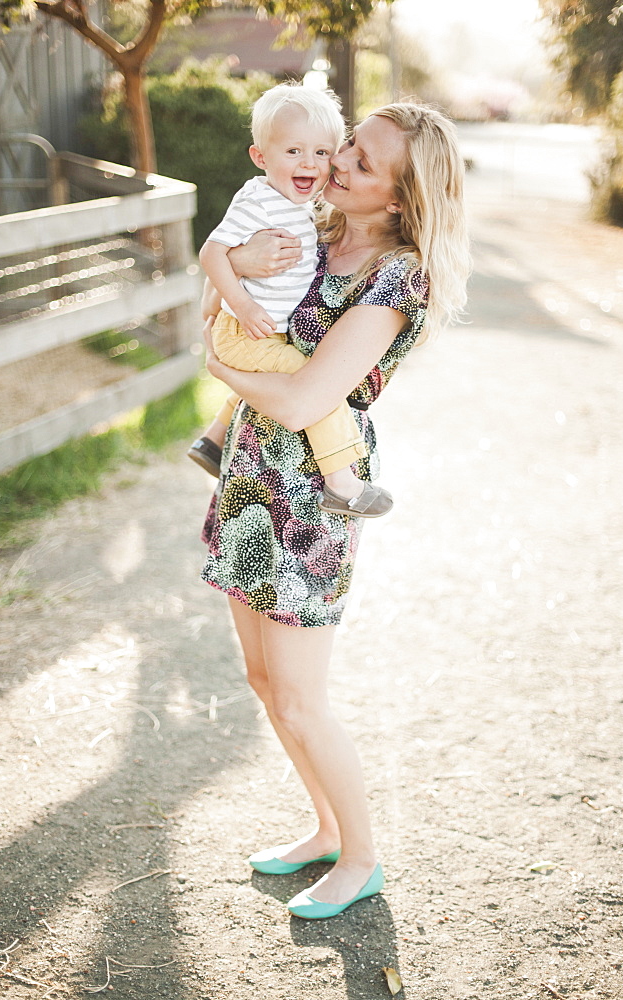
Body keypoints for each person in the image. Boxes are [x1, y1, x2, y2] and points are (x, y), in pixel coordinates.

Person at [199, 102, 471, 919]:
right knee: (261, 679)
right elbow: (218, 269)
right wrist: (232, 268)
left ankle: (361, 857)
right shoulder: (306, 221)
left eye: (363, 160)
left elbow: (308, 398)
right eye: (349, 143)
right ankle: (321, 830)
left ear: (397, 198)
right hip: (250, 477)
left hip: (314, 495)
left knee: (301, 698)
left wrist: (216, 359)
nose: (340, 160)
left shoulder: (398, 277)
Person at [189, 82, 392, 518]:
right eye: (295, 152)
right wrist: (239, 297)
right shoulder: (260, 200)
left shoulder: (304, 206)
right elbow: (211, 253)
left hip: (257, 333)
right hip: (246, 327)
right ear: (261, 158)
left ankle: (213, 438)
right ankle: (341, 482)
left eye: (322, 152)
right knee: (307, 378)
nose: (313, 164)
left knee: (285, 364)